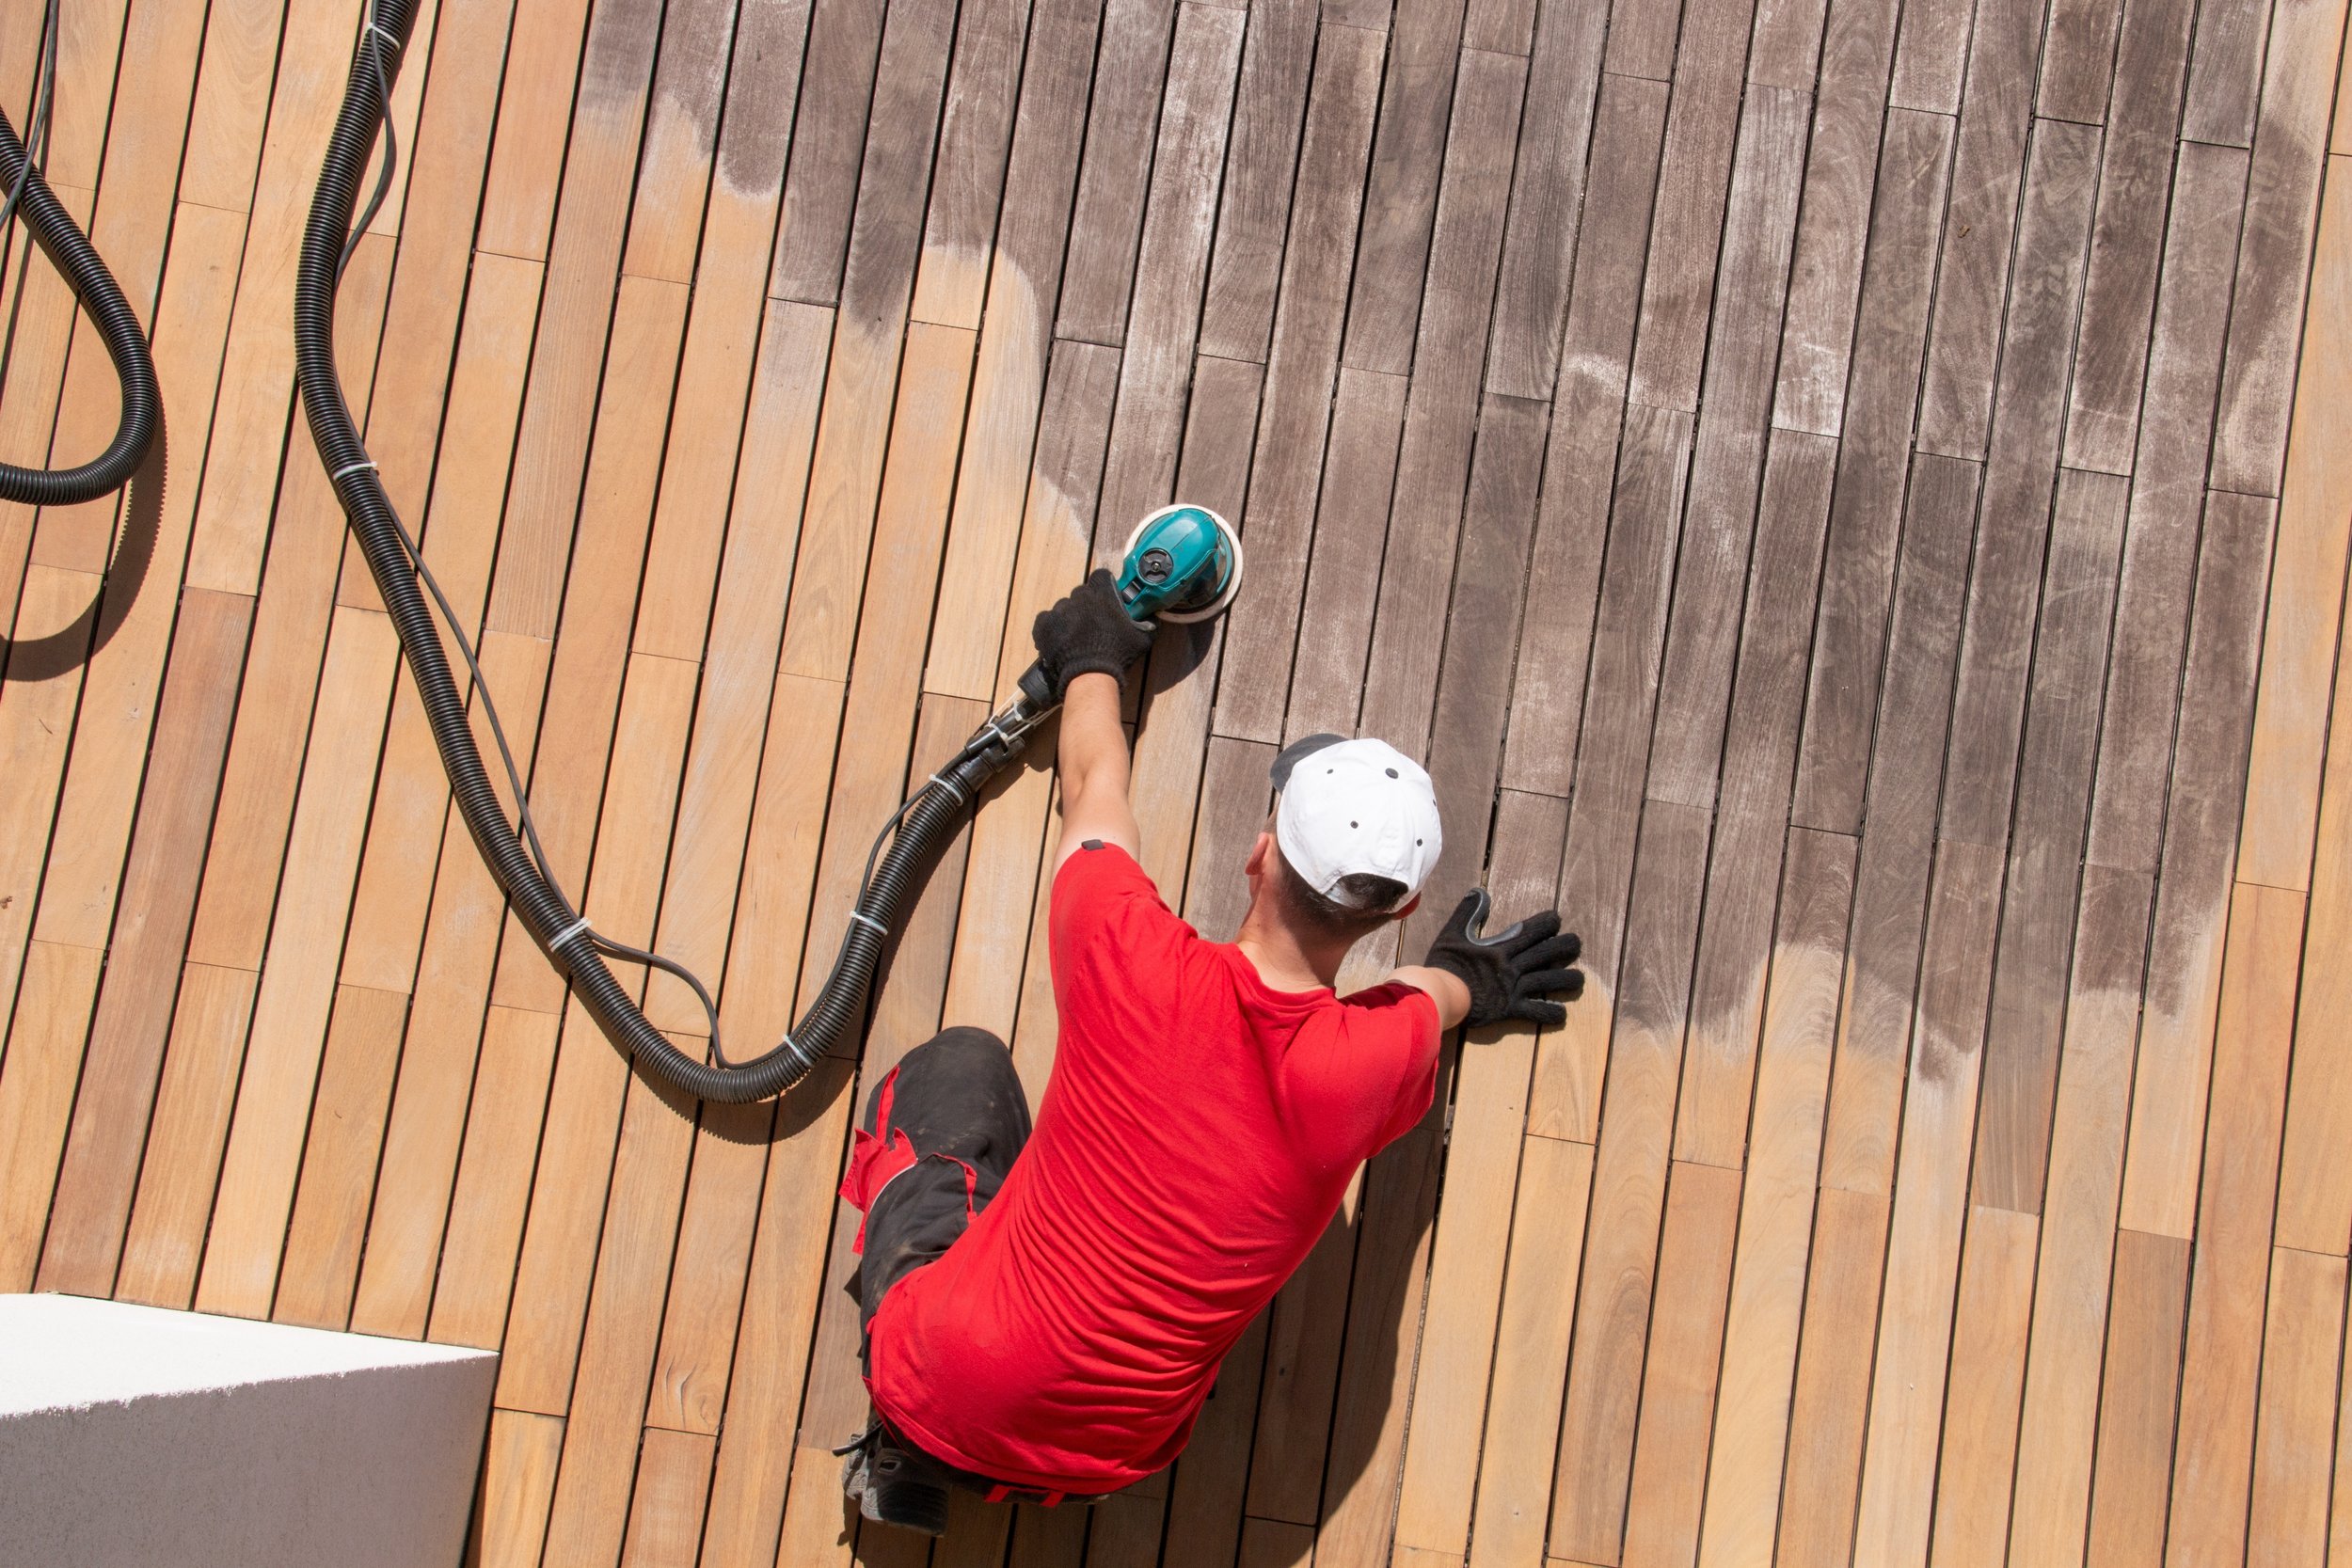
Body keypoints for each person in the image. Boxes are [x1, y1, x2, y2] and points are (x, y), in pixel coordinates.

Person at [834, 569, 1583, 1533]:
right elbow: (1433, 1000)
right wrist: (1470, 984)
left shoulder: (1126, 955)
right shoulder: (1382, 1058)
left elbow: (1092, 786)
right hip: (1109, 1461)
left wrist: (1092, 653)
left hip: (938, 1382)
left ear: (1257, 854)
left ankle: (905, 1443)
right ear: (1396, 909)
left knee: (961, 1068)